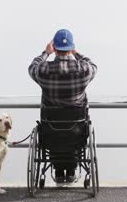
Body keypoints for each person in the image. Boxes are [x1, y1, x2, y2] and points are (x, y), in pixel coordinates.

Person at [28, 29, 97, 184]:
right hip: (77, 131)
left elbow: (32, 66)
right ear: (71, 48)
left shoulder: (44, 70)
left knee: (56, 134)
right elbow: (93, 65)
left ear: (55, 48)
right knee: (72, 134)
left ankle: (59, 172)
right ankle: (71, 171)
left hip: (50, 131)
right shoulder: (83, 70)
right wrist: (76, 52)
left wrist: (45, 53)